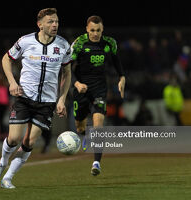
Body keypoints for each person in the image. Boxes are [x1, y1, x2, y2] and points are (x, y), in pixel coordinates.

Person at [0, 8, 72, 189]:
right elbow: (6, 59)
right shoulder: (25, 41)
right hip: (24, 97)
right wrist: (11, 82)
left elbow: (67, 72)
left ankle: (8, 178)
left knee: (29, 142)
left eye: (56, 21)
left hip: (47, 103)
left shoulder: (63, 45)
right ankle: (2, 162)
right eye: (50, 21)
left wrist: (61, 99)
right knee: (13, 139)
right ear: (40, 24)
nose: (55, 25)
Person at [71, 16, 125, 176]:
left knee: (98, 125)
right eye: (92, 30)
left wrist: (122, 78)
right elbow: (66, 69)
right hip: (81, 88)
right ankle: (85, 133)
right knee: (80, 127)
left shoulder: (109, 43)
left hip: (100, 88)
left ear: (103, 30)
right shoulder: (78, 44)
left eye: (98, 30)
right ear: (87, 29)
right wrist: (77, 84)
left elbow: (117, 63)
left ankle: (96, 163)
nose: (95, 34)